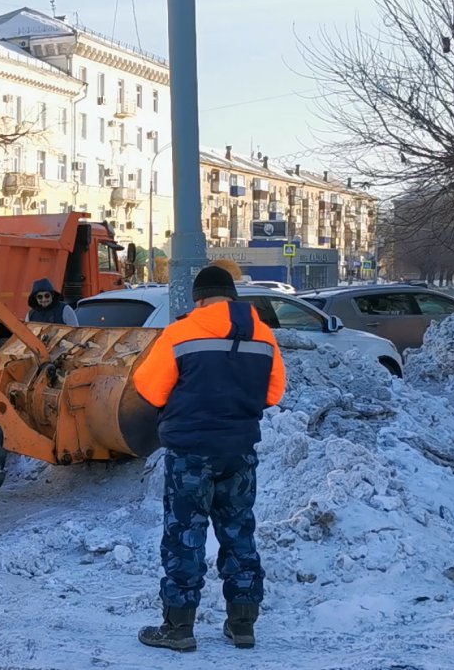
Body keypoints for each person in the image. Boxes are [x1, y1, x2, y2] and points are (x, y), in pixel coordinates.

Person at [131, 265, 286, 652]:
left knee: (185, 536)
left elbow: (148, 388)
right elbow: (274, 393)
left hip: (190, 454)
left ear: (199, 299)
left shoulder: (180, 333)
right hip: (239, 452)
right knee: (239, 535)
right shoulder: (263, 334)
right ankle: (242, 624)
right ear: (233, 297)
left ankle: (179, 628)